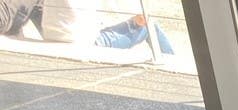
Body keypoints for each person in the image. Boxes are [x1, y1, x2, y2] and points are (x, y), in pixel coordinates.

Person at [1, 1, 173, 55]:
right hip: (84, 42)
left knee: (134, 23)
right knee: (151, 27)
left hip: (55, 35)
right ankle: (170, 63)